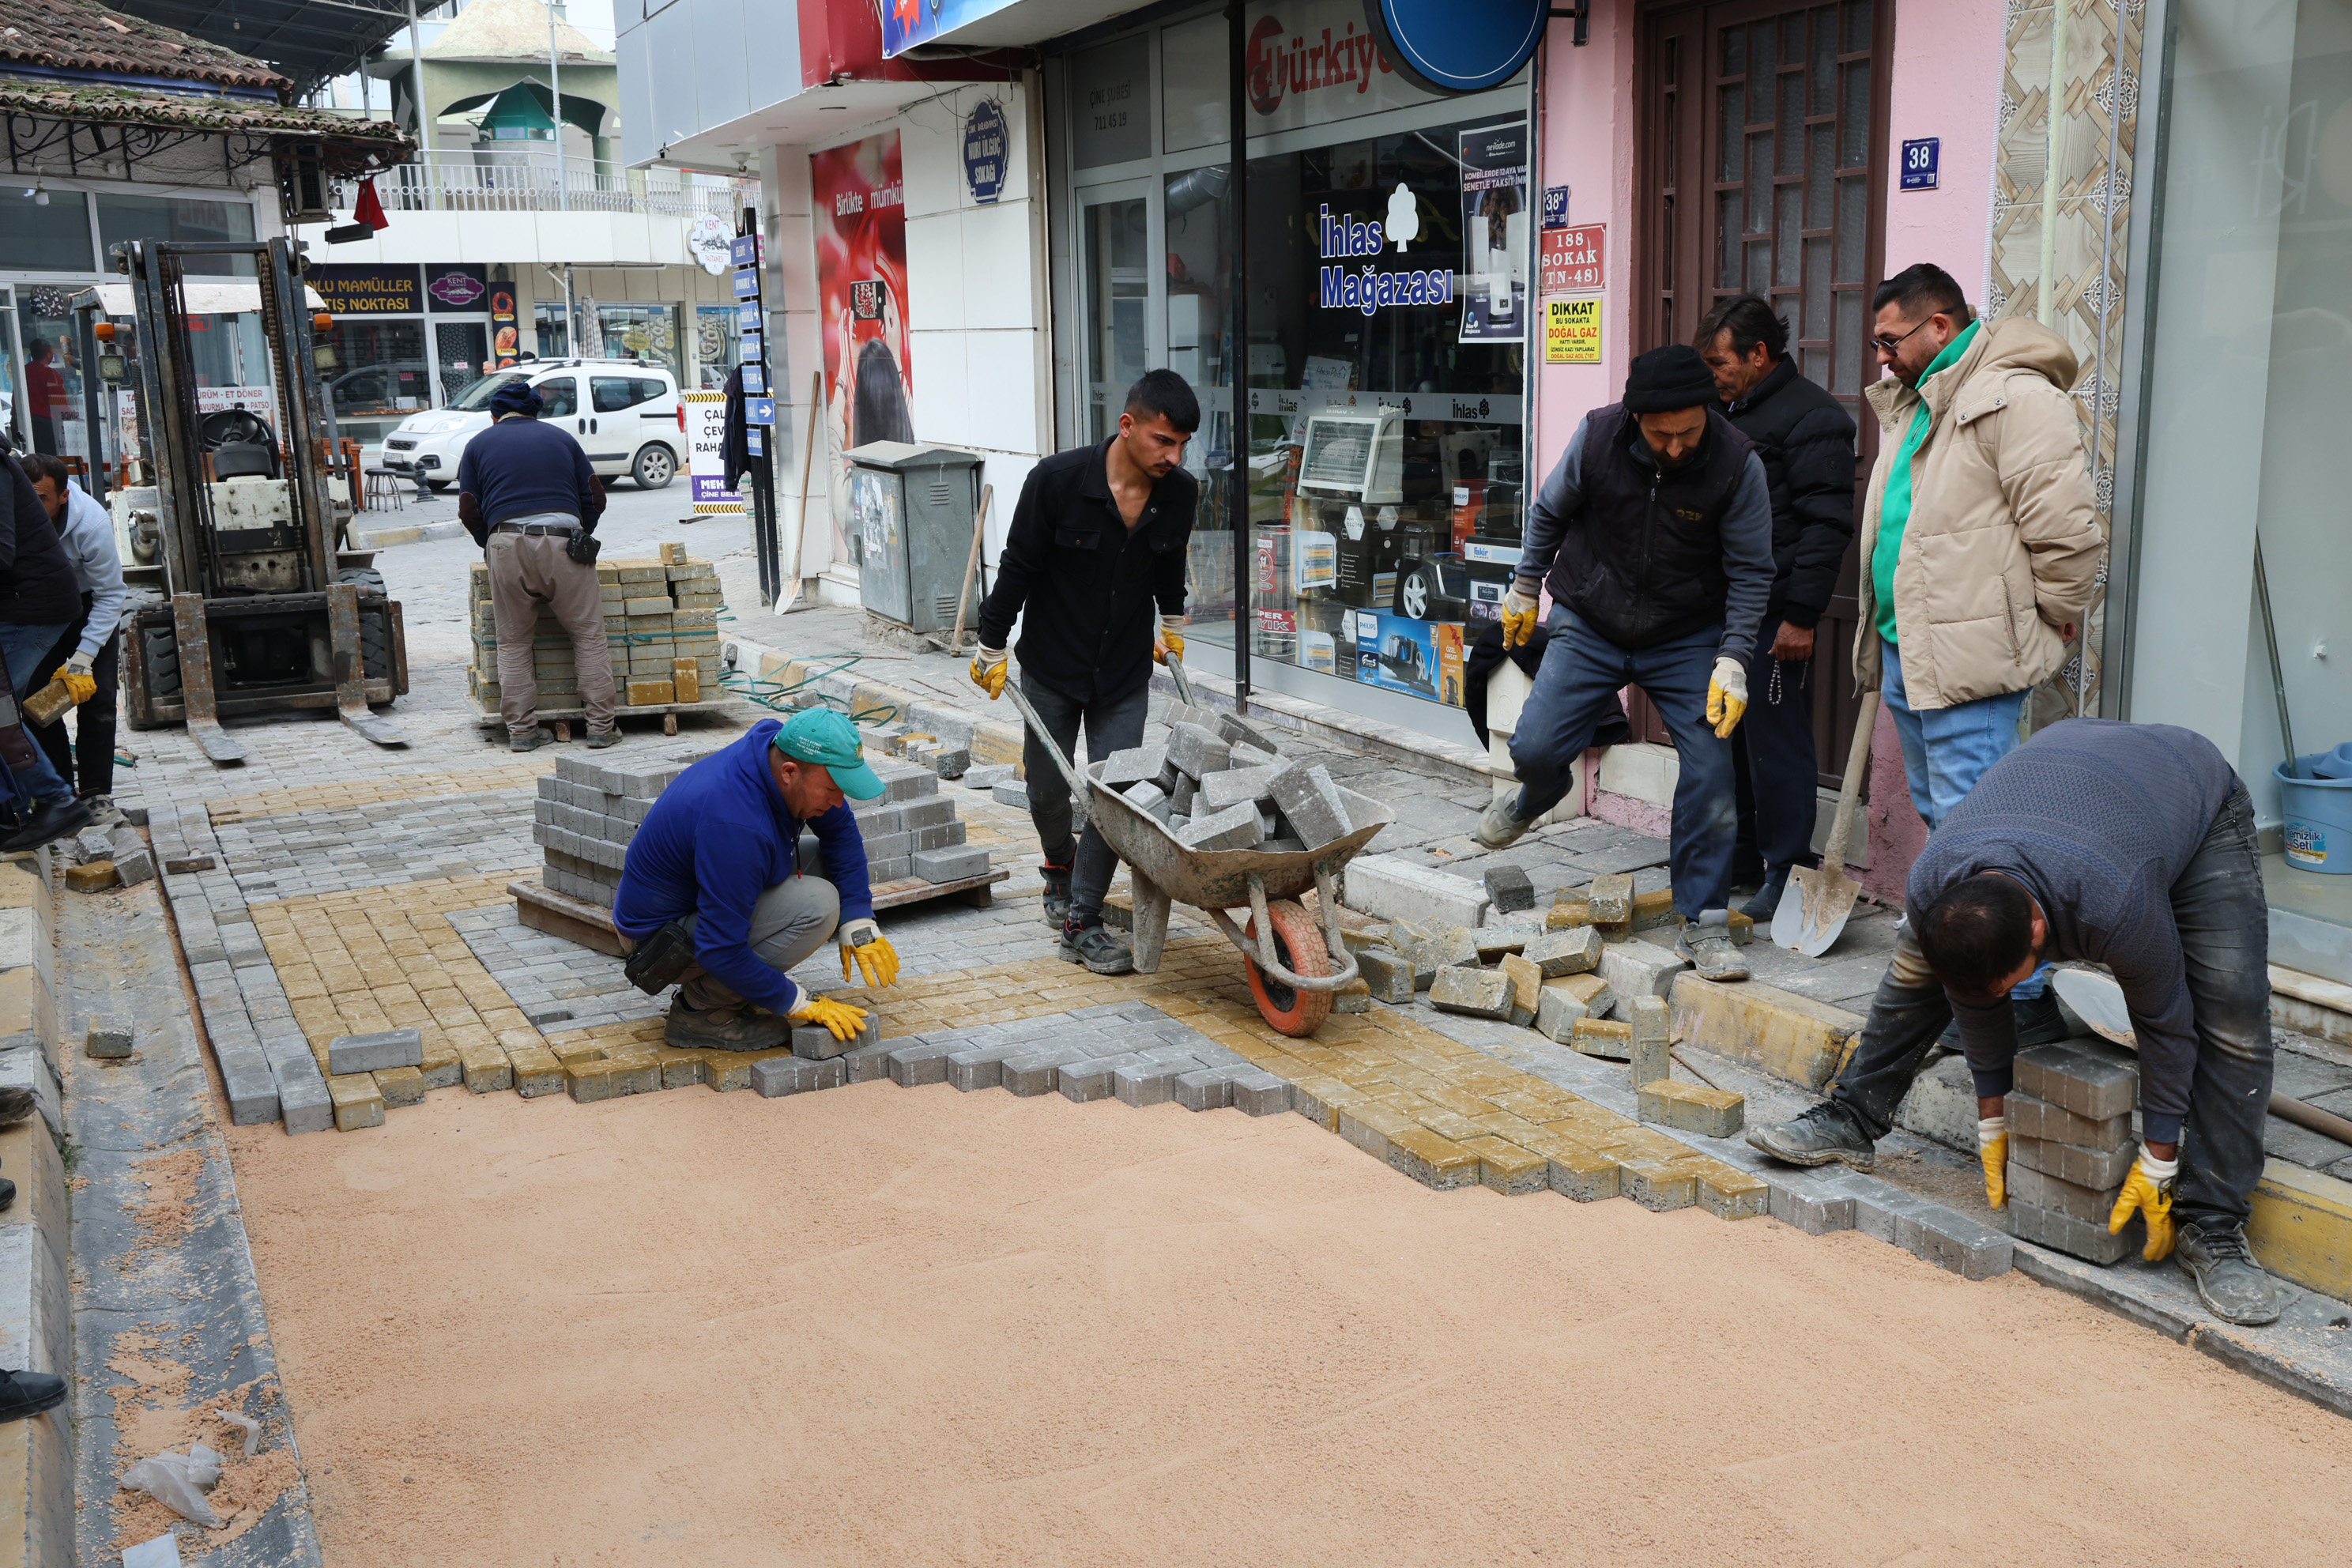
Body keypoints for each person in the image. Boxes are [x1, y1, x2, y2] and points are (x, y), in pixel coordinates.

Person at [1747, 720, 2281, 1326]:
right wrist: (1992, 1112)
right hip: (2076, 790)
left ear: (2037, 932)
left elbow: (2166, 1025)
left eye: (2012, 981)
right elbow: (1973, 999)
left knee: (2231, 1013)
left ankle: (2211, 1221)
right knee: (1919, 969)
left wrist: (2158, 1158)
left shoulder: (2115, 903)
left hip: (2191, 794)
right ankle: (1852, 1115)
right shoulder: (1934, 882)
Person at [1856, 263, 2105, 1041]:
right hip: (1912, 649)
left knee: (1983, 834)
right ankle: (1971, 980)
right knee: (1948, 825)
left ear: (1941, 327)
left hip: (1974, 659)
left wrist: (2056, 616)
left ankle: (2018, 1010)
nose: (1881, 357)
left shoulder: (2015, 397)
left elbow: (2066, 530)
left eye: (1890, 340)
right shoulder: (1921, 401)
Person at [1484, 345, 1775, 983]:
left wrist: (1733, 658)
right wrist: (1527, 585)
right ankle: (1543, 789)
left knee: (1712, 770)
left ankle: (1702, 921)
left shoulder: (1735, 463)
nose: (1676, 447)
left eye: (1689, 432)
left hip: (1686, 634)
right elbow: (1549, 511)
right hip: (1592, 617)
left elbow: (1752, 571)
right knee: (1534, 745)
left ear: (1708, 410)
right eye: (1661, 435)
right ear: (1634, 418)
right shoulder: (1596, 437)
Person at [969, 368, 1198, 977]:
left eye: (1182, 446)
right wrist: (992, 646)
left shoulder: (1179, 492)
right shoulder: (1057, 481)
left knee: (1114, 794)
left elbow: (1168, 562)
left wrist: (1171, 621)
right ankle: (1058, 864)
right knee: (1047, 789)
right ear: (1128, 427)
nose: (1173, 457)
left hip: (1122, 674)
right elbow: (1016, 566)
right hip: (1051, 665)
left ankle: (1082, 921)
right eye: (1163, 441)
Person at [1694, 295, 1857, 922]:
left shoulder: (1814, 418)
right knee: (1721, 732)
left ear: (1759, 354)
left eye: (1720, 362)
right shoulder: (1720, 411)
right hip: (1722, 608)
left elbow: (1825, 527)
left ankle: (1787, 866)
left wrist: (1802, 615)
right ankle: (1735, 854)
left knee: (1775, 741)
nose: (1712, 375)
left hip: (1776, 612)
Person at [613, 708, 900, 1051]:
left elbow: (841, 833)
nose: (840, 801)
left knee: (827, 868)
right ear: (790, 773)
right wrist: (799, 1002)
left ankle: (732, 991)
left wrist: (857, 917)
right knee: (817, 904)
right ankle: (701, 1013)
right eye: (833, 789)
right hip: (659, 944)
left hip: (701, 901)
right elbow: (721, 948)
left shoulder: (776, 749)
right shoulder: (736, 825)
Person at [458, 379, 616, 752]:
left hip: (505, 542)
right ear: (535, 412)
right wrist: (579, 534)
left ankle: (523, 733)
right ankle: (601, 729)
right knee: (588, 637)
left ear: (494, 416)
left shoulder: (478, 444)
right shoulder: (562, 439)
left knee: (512, 642)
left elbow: (468, 507)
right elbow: (595, 495)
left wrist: (491, 542)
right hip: (564, 541)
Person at [0, 441, 92, 850]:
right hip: (24, 603)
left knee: (0, 710)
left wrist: (86, 656)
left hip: (31, 605)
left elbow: (2, 551)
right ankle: (16, 809)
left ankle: (55, 801)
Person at [21, 454, 125, 807]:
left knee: (98, 702)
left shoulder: (91, 525)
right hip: (41, 608)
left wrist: (85, 655)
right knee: (36, 704)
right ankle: (60, 795)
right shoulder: (13, 517)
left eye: (42, 500)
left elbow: (111, 594)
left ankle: (96, 792)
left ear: (64, 496)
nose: (31, 509)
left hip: (90, 604)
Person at [22, 341, 63, 458]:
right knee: (48, 460)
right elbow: (59, 404)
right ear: (48, 354)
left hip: (20, 421)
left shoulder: (22, 371)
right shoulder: (51, 374)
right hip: (44, 424)